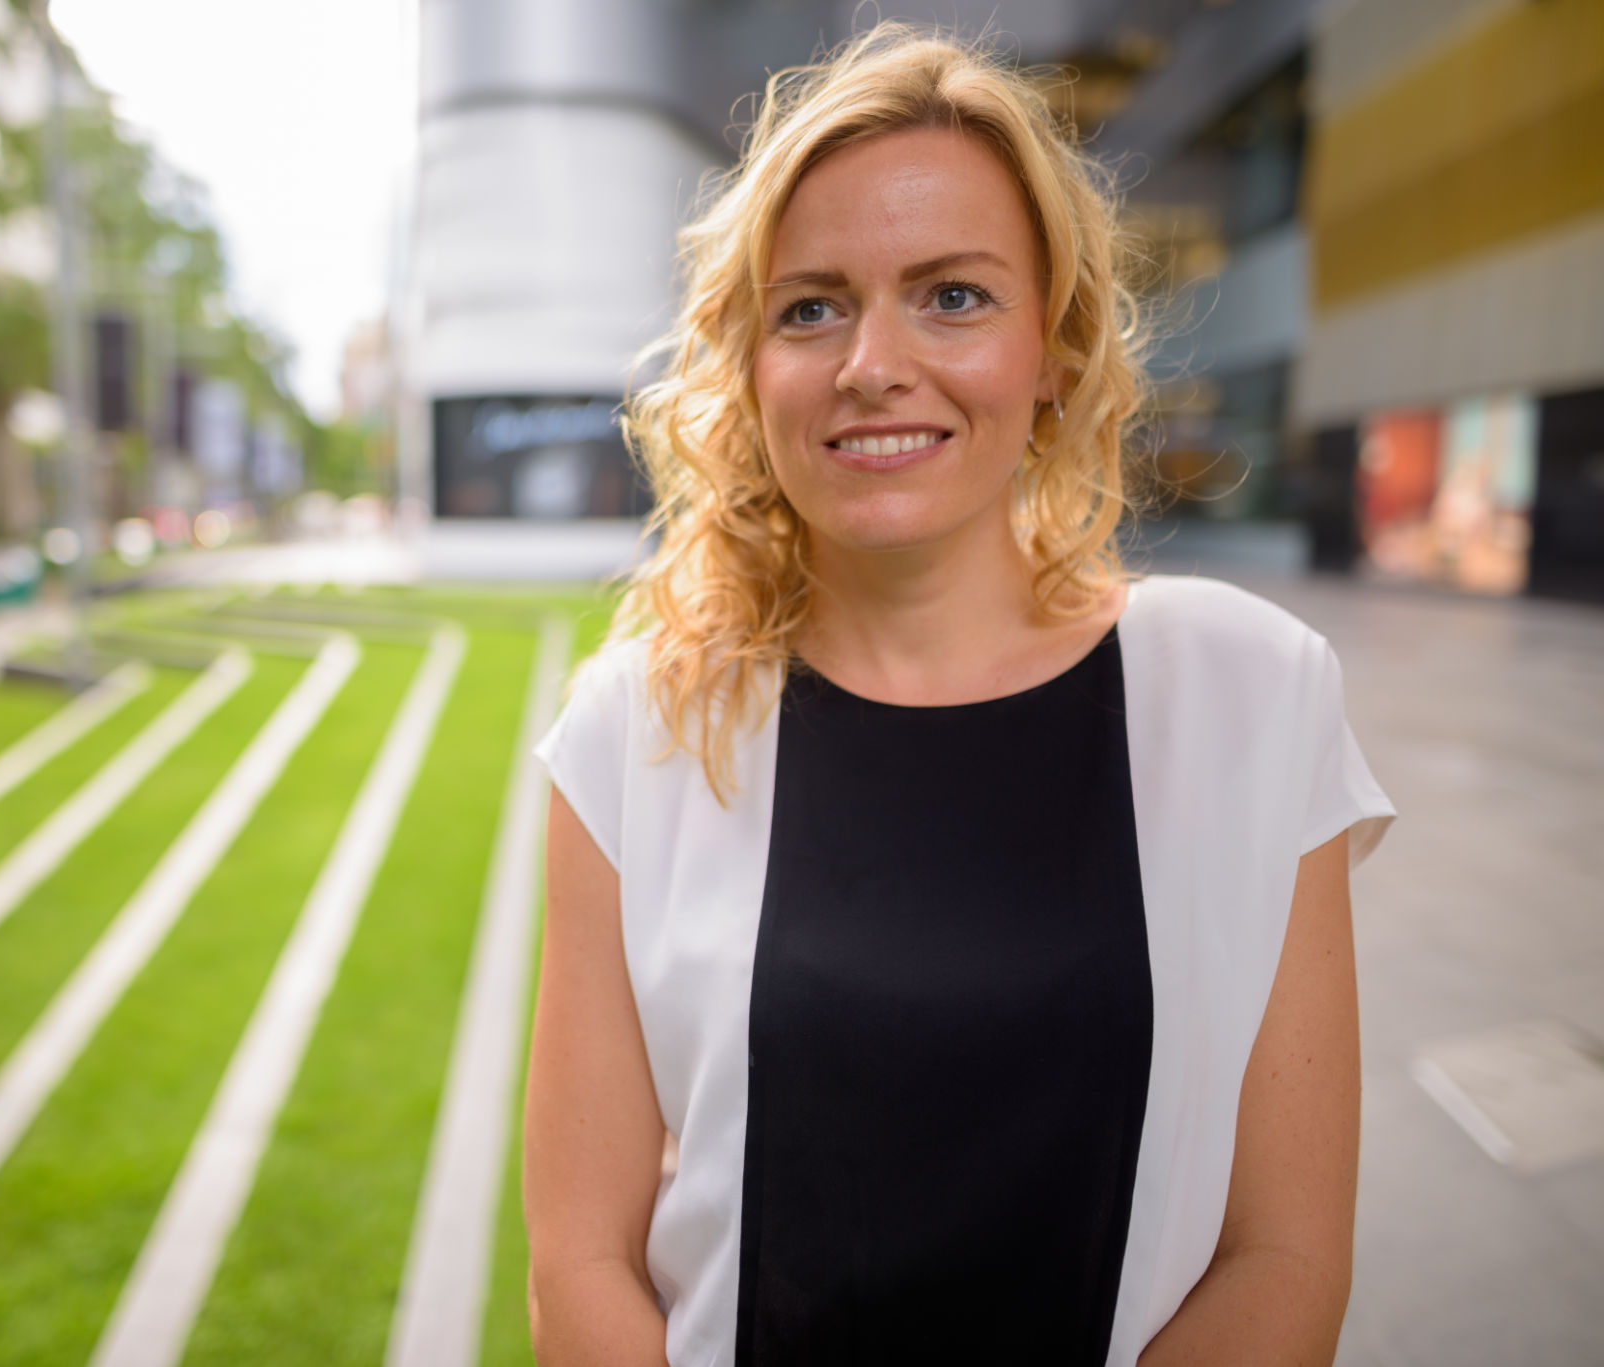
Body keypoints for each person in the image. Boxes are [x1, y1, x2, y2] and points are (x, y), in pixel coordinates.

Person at [521, 22, 1398, 1367]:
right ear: (749, 366)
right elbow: (579, 1260)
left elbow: (1284, 1256)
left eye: (953, 296)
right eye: (810, 307)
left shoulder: (1251, 693)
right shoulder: (636, 727)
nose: (872, 362)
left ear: (1055, 351)